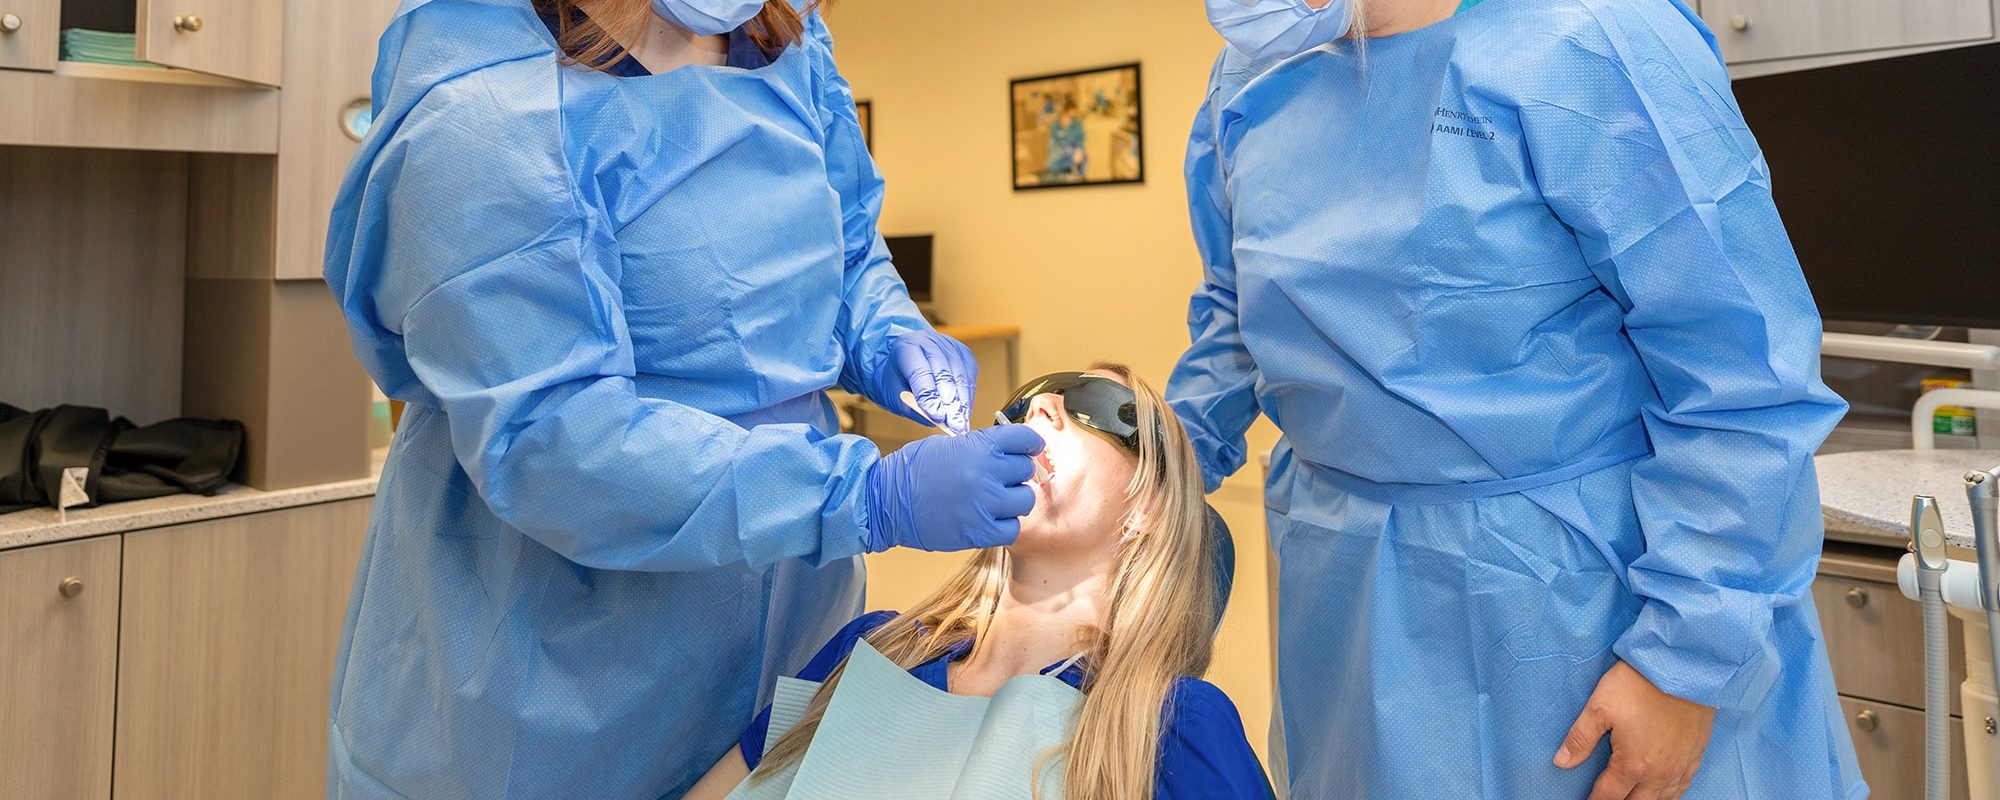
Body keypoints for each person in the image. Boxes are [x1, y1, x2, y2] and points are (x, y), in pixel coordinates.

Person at [319, 0, 1045, 796]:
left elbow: (845, 247)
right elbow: (556, 438)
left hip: (790, 606)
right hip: (558, 660)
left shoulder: (782, 37)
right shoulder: (488, 102)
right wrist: (864, 497)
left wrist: (884, 329)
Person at [1171, 0, 1860, 798]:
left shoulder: (1588, 38)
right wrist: (1151, 462)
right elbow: (1239, 308)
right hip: (1348, 595)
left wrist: (1684, 663)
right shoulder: (1255, 77)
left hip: (1588, 601)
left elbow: (1740, 366)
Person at [686, 366, 1273, 800]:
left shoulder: (1173, 725)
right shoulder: (873, 648)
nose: (1042, 404)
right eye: (1025, 403)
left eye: (1094, 402)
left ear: (1148, 505)